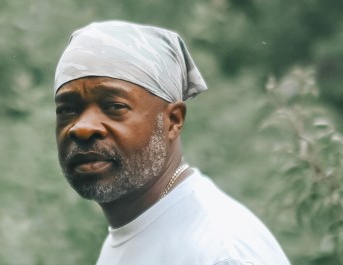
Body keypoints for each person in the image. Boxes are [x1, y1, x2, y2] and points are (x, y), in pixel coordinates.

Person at [54, 20, 291, 265]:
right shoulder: (133, 226)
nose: (82, 128)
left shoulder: (219, 252)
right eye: (67, 109)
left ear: (173, 120)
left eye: (114, 107)